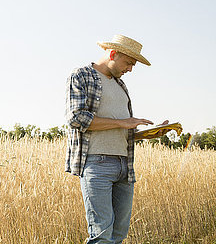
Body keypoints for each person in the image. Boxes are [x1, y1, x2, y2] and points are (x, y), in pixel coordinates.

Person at [64, 34, 167, 244]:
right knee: (102, 236)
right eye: (129, 63)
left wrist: (149, 134)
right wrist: (123, 123)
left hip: (125, 166)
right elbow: (76, 118)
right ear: (112, 53)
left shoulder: (121, 86)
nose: (130, 69)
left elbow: (120, 129)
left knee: (118, 236)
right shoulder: (81, 75)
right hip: (96, 164)